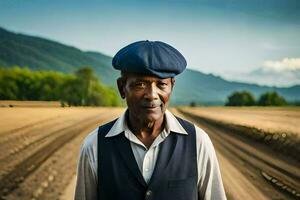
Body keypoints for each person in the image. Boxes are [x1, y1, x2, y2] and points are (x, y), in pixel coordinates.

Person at [74, 40, 226, 200]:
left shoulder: (198, 142)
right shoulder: (94, 145)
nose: (152, 94)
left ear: (171, 87)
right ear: (122, 88)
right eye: (140, 84)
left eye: (161, 84)